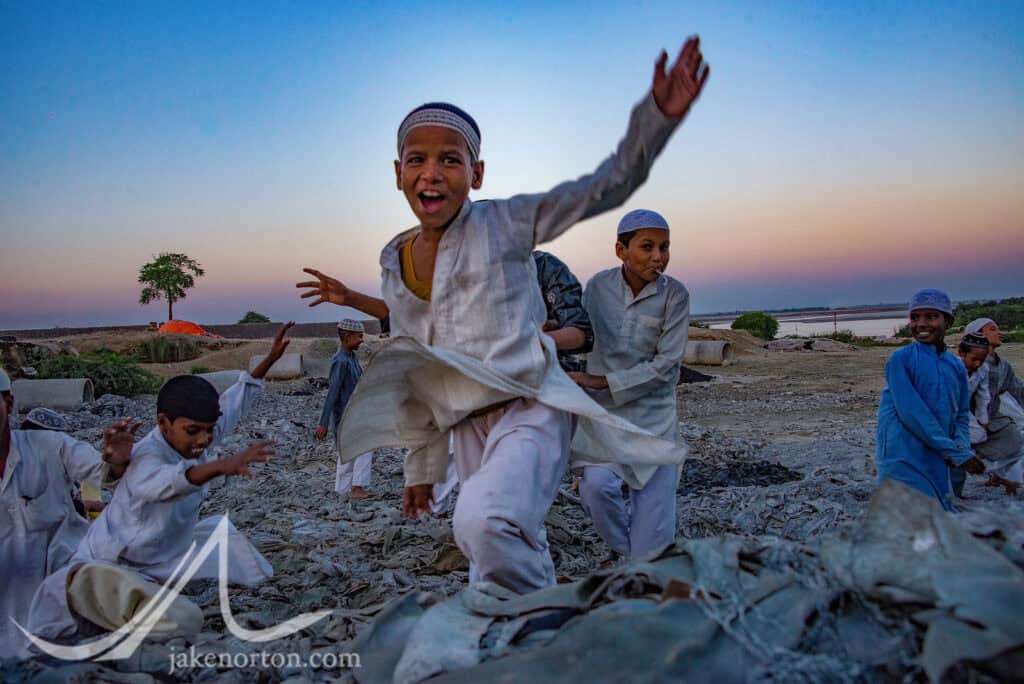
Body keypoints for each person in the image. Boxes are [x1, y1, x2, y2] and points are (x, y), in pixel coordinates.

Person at [298, 36, 708, 594]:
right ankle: (525, 635)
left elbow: (604, 186)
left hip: (531, 407)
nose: (431, 172)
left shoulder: (508, 223)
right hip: (466, 422)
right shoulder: (394, 258)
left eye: (450, 159)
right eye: (417, 159)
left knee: (483, 521)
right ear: (397, 173)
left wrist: (656, 119)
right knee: (496, 545)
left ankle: (547, 620)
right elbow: (417, 361)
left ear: (477, 172)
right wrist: (422, 466)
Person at [26, 324, 294, 646]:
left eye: (208, 431)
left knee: (227, 542)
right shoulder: (146, 458)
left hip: (159, 558)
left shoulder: (196, 439)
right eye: (194, 430)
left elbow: (236, 400)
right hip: (111, 566)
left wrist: (268, 360)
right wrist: (222, 465)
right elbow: (168, 484)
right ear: (163, 423)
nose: (204, 440)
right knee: (184, 622)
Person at [570, 209, 689, 562]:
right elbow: (582, 335)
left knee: (653, 542)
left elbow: (667, 367)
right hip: (604, 419)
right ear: (621, 250)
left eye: (664, 247)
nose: (658, 257)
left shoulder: (675, 296)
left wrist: (599, 380)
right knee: (595, 488)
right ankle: (629, 554)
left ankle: (641, 565)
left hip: (654, 420)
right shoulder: (597, 287)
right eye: (647, 247)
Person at [0, 368, 137, 658]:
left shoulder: (52, 447)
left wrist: (116, 463)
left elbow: (100, 472)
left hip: (68, 596)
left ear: (9, 404)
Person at [875, 289, 984, 512]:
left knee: (942, 512)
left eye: (931, 316)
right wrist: (954, 451)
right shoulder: (901, 360)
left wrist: (961, 448)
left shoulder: (955, 367)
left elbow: (961, 414)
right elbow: (911, 413)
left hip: (937, 454)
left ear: (948, 321)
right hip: (903, 455)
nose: (921, 324)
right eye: (915, 317)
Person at [964, 317, 1024, 494]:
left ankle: (999, 476)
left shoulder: (1003, 366)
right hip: (963, 421)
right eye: (993, 329)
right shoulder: (966, 364)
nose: (999, 333)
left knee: (1015, 440)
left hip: (992, 420)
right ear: (979, 335)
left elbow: (1019, 391)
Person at [317, 319, 374, 500]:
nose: (361, 340)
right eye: (359, 337)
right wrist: (323, 423)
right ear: (347, 337)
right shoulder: (340, 361)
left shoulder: (352, 358)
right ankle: (357, 488)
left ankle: (342, 491)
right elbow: (332, 394)